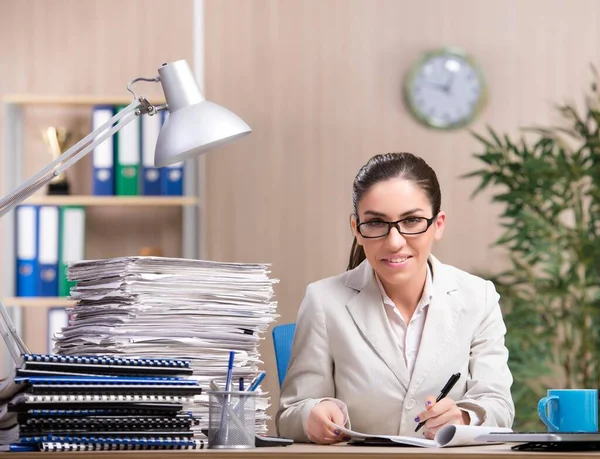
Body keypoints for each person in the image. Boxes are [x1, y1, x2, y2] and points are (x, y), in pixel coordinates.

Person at [275, 152, 514, 444]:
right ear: (356, 229)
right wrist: (311, 414)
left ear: (438, 224)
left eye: (412, 220)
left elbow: (499, 406)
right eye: (376, 223)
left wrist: (464, 418)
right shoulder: (324, 300)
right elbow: (289, 416)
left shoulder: (478, 296)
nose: (394, 242)